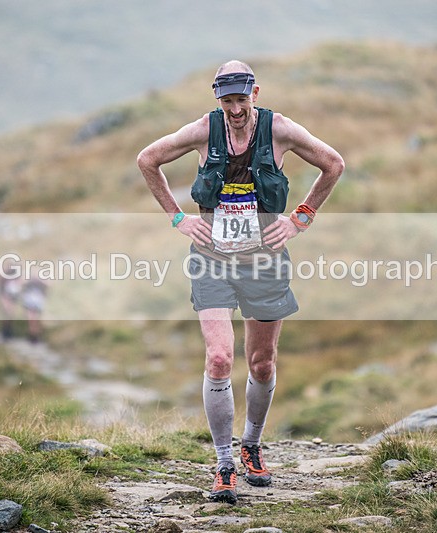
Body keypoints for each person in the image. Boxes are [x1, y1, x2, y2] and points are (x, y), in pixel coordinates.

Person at [137, 60, 344, 504]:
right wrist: (177, 218)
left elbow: (333, 164)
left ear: (255, 93)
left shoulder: (281, 130)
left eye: (241, 100)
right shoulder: (201, 130)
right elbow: (148, 159)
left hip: (265, 261)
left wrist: (300, 218)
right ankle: (224, 463)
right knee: (217, 358)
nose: (234, 109)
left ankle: (251, 444)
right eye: (226, 101)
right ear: (217, 99)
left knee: (262, 363)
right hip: (211, 260)